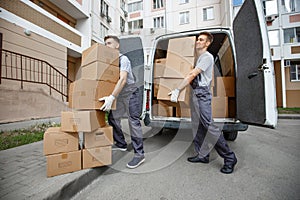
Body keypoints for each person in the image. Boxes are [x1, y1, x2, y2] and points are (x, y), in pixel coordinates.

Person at [168, 32, 237, 174]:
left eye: (201, 40)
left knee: (208, 125)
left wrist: (177, 89)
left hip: (202, 94)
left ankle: (229, 157)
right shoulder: (199, 58)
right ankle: (203, 155)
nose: (198, 42)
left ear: (207, 43)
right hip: (196, 93)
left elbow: (192, 74)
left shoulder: (206, 57)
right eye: (197, 39)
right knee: (197, 125)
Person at [99, 35, 145, 169]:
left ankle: (139, 154)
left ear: (117, 45)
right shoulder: (109, 62)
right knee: (113, 118)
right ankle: (121, 144)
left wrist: (112, 97)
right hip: (119, 94)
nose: (106, 45)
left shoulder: (123, 59)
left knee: (133, 122)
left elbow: (123, 79)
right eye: (105, 43)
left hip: (130, 92)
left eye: (109, 43)